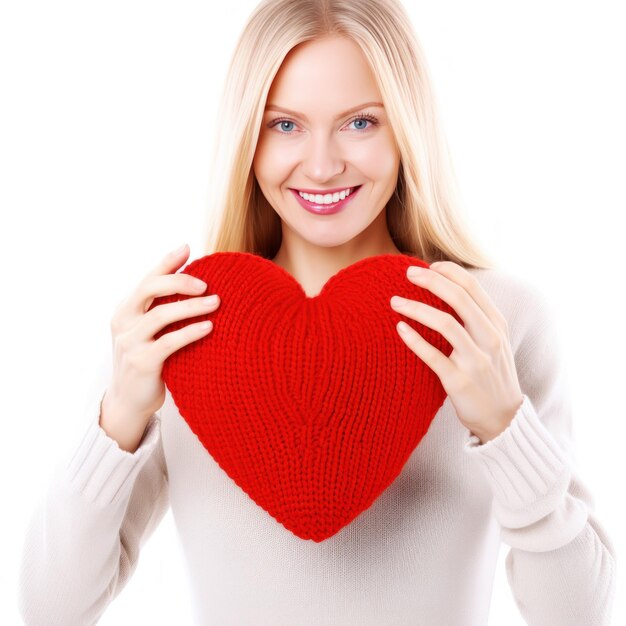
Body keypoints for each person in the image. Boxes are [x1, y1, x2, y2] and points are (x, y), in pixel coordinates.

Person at [18, 0, 616, 624]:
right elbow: (51, 608)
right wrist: (119, 419)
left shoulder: (495, 319)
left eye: (360, 123)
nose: (324, 165)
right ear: (247, 138)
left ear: (407, 128)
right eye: (285, 126)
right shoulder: (182, 323)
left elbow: (578, 615)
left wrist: (504, 426)